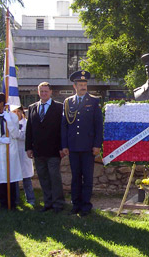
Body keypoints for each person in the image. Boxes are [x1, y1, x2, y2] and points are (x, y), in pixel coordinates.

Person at [61, 70, 103, 217]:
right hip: (73, 147)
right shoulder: (68, 102)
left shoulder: (93, 101)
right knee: (75, 177)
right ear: (75, 86)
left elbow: (98, 125)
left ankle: (86, 206)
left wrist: (97, 145)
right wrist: (64, 145)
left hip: (88, 147)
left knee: (87, 177)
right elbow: (64, 125)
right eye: (80, 84)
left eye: (85, 84)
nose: (83, 86)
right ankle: (75, 204)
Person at [26, 82, 65, 213]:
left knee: (54, 177)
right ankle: (47, 203)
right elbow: (29, 129)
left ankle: (58, 204)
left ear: (50, 92)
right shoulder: (32, 107)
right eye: (41, 91)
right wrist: (28, 147)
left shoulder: (59, 107)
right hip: (38, 150)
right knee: (43, 177)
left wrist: (62, 147)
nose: (43, 93)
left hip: (54, 150)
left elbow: (62, 129)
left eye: (46, 91)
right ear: (38, 92)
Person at [0, 93, 22, 209]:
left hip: (10, 150)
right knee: (1, 176)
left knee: (11, 176)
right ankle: (3, 202)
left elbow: (16, 134)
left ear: (2, 103)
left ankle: (12, 202)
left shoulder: (12, 117)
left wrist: (10, 123)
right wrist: (1, 140)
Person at [12, 106, 35, 206]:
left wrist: (16, 133)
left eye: (18, 111)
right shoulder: (10, 123)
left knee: (26, 179)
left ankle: (30, 199)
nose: (16, 113)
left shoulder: (27, 123)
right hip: (14, 152)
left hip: (24, 152)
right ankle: (16, 200)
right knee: (15, 179)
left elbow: (24, 136)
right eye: (14, 111)